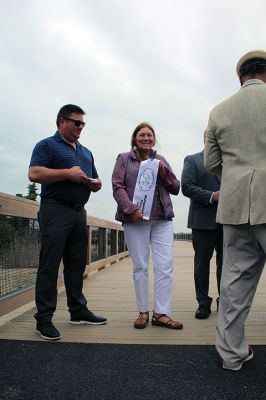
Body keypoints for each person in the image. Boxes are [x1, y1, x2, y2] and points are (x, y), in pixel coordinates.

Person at [204, 49, 266, 371]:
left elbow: (211, 163)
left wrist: (238, 177)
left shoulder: (219, 112)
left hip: (235, 204)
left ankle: (232, 355)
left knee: (235, 282)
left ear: (240, 77)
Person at [29, 104, 107, 341]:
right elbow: (34, 174)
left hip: (78, 213)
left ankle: (78, 310)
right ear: (62, 122)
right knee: (50, 266)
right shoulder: (46, 145)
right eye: (77, 122)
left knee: (76, 265)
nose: (81, 127)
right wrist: (66, 174)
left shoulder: (86, 152)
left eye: (83, 123)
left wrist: (95, 184)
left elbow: (93, 177)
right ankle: (43, 320)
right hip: (55, 210)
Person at [112, 122, 183, 330]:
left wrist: (164, 173)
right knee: (141, 266)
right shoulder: (124, 158)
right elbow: (117, 187)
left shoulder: (161, 160)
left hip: (162, 220)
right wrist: (130, 208)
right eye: (141, 135)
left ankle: (161, 314)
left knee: (165, 267)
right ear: (134, 138)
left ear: (154, 139)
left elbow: (176, 187)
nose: (146, 138)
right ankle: (143, 312)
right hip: (136, 219)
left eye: (149, 135)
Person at [181, 131, 223, 319]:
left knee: (227, 265)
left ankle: (225, 301)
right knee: (201, 264)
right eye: (211, 136)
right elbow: (187, 187)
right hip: (202, 222)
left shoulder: (231, 161)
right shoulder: (192, 160)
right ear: (205, 139)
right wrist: (211, 196)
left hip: (229, 221)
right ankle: (203, 303)